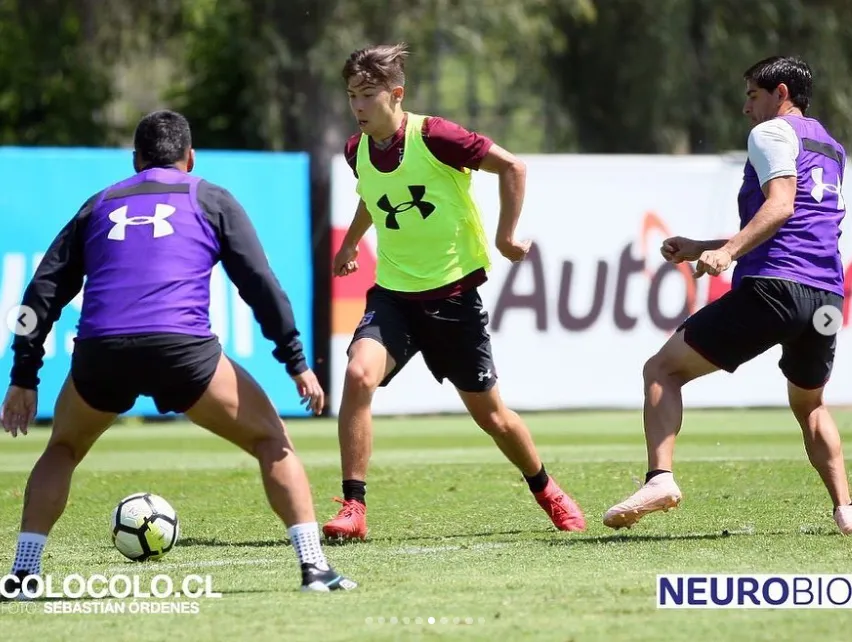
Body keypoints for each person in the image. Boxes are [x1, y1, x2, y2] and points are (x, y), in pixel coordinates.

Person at [0, 110, 356, 595]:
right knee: (273, 442)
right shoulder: (209, 197)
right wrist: (295, 361)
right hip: (182, 351)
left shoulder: (98, 204)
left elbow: (38, 295)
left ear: (135, 159)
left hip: (102, 352)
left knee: (62, 449)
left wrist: (24, 376)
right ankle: (315, 568)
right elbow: (260, 284)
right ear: (190, 157)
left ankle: (23, 572)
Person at [322, 43, 586, 542]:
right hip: (393, 295)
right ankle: (353, 506)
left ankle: (546, 489)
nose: (357, 106)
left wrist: (507, 237)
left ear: (396, 95)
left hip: (452, 298)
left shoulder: (436, 136)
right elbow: (373, 198)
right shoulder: (356, 151)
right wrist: (352, 242)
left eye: (367, 95)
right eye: (351, 96)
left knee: (494, 418)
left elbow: (514, 168)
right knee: (358, 375)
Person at [603, 56, 852, 535]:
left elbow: (780, 208)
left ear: (781, 94)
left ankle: (660, 479)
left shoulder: (771, 134)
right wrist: (703, 246)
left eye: (752, 95)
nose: (746, 108)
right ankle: (845, 510)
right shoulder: (832, 146)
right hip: (824, 298)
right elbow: (798, 223)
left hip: (775, 288)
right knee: (811, 405)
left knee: (662, 369)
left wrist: (728, 253)